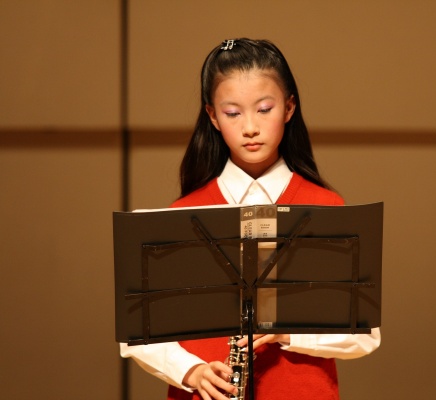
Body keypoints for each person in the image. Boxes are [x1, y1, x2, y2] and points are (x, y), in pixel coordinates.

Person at [120, 38, 381, 400]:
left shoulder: (327, 208)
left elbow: (364, 334)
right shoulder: (182, 214)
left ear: (289, 108)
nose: (250, 128)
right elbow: (138, 333)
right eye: (232, 113)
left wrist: (286, 331)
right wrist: (191, 371)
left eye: (264, 109)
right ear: (212, 116)